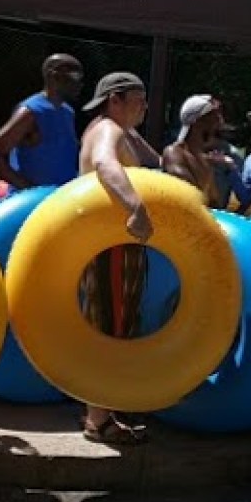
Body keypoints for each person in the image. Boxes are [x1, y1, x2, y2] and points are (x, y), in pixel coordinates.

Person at [77, 72, 153, 446]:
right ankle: (99, 420)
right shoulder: (109, 131)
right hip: (112, 248)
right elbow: (107, 164)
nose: (145, 106)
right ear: (116, 100)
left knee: (112, 323)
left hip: (109, 246)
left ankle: (104, 409)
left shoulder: (110, 128)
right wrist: (136, 207)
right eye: (139, 99)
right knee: (111, 325)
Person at [0, 54, 84, 189]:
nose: (80, 84)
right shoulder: (31, 112)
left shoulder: (68, 112)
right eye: (75, 76)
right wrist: (29, 189)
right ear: (54, 75)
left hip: (61, 203)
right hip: (33, 206)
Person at [162, 94, 223, 207]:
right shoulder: (174, 153)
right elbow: (190, 193)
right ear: (197, 121)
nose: (219, 122)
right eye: (214, 117)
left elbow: (214, 203)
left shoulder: (204, 160)